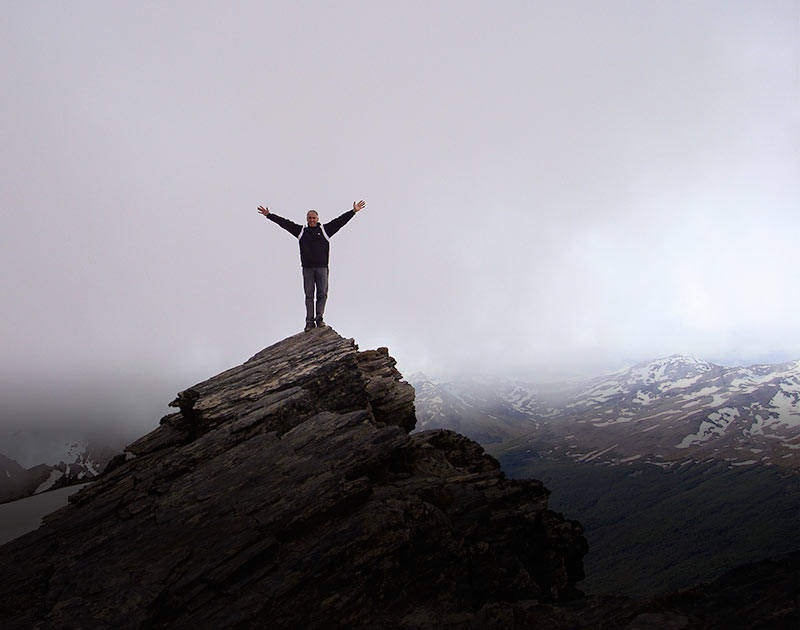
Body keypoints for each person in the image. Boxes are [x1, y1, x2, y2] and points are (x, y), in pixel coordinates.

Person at [258, 201, 366, 331]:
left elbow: (340, 221)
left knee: (322, 294)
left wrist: (353, 211)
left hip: (322, 268)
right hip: (307, 268)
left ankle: (319, 319)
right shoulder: (301, 231)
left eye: (314, 218)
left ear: (318, 219)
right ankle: (309, 322)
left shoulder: (325, 230)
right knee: (309, 296)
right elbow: (285, 223)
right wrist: (269, 215)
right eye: (310, 218)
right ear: (307, 219)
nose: (312, 220)